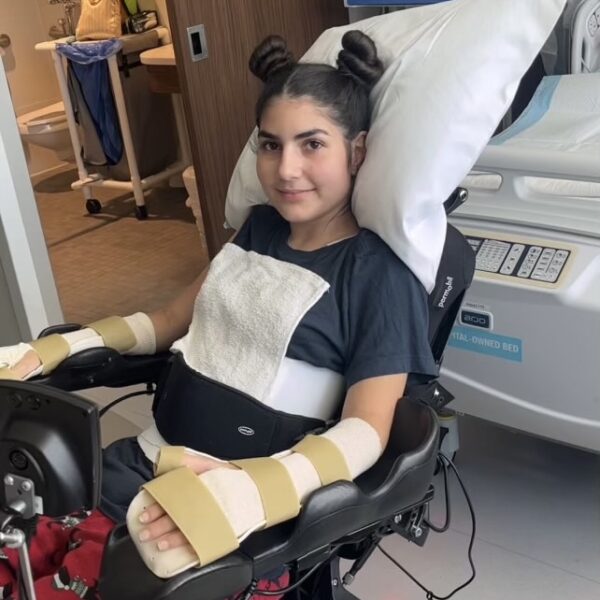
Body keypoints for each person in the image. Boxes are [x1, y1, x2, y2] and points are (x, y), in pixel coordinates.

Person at [0, 30, 437, 599]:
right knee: (19, 542)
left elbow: (366, 430)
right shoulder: (258, 229)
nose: (286, 169)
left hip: (226, 507)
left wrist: (254, 492)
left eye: (312, 144)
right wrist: (58, 347)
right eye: (271, 145)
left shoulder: (378, 275)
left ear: (356, 151)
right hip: (147, 460)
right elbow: (165, 321)